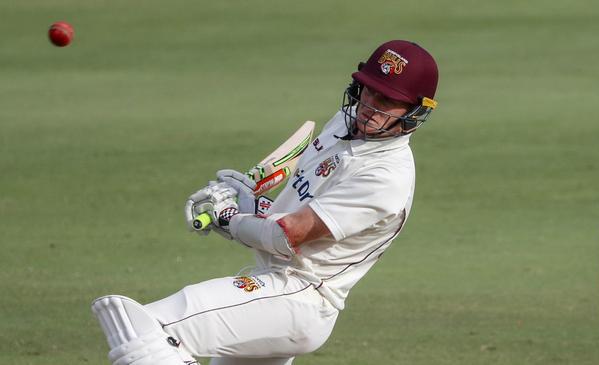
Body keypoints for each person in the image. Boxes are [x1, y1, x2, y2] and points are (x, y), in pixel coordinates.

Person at [91, 39, 439, 365]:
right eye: (368, 92)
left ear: (414, 113)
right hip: (274, 285)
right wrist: (255, 205)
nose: (369, 108)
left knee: (144, 330)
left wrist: (229, 218)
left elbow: (288, 235)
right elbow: (301, 206)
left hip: (299, 296)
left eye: (385, 101)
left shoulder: (385, 177)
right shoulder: (343, 126)